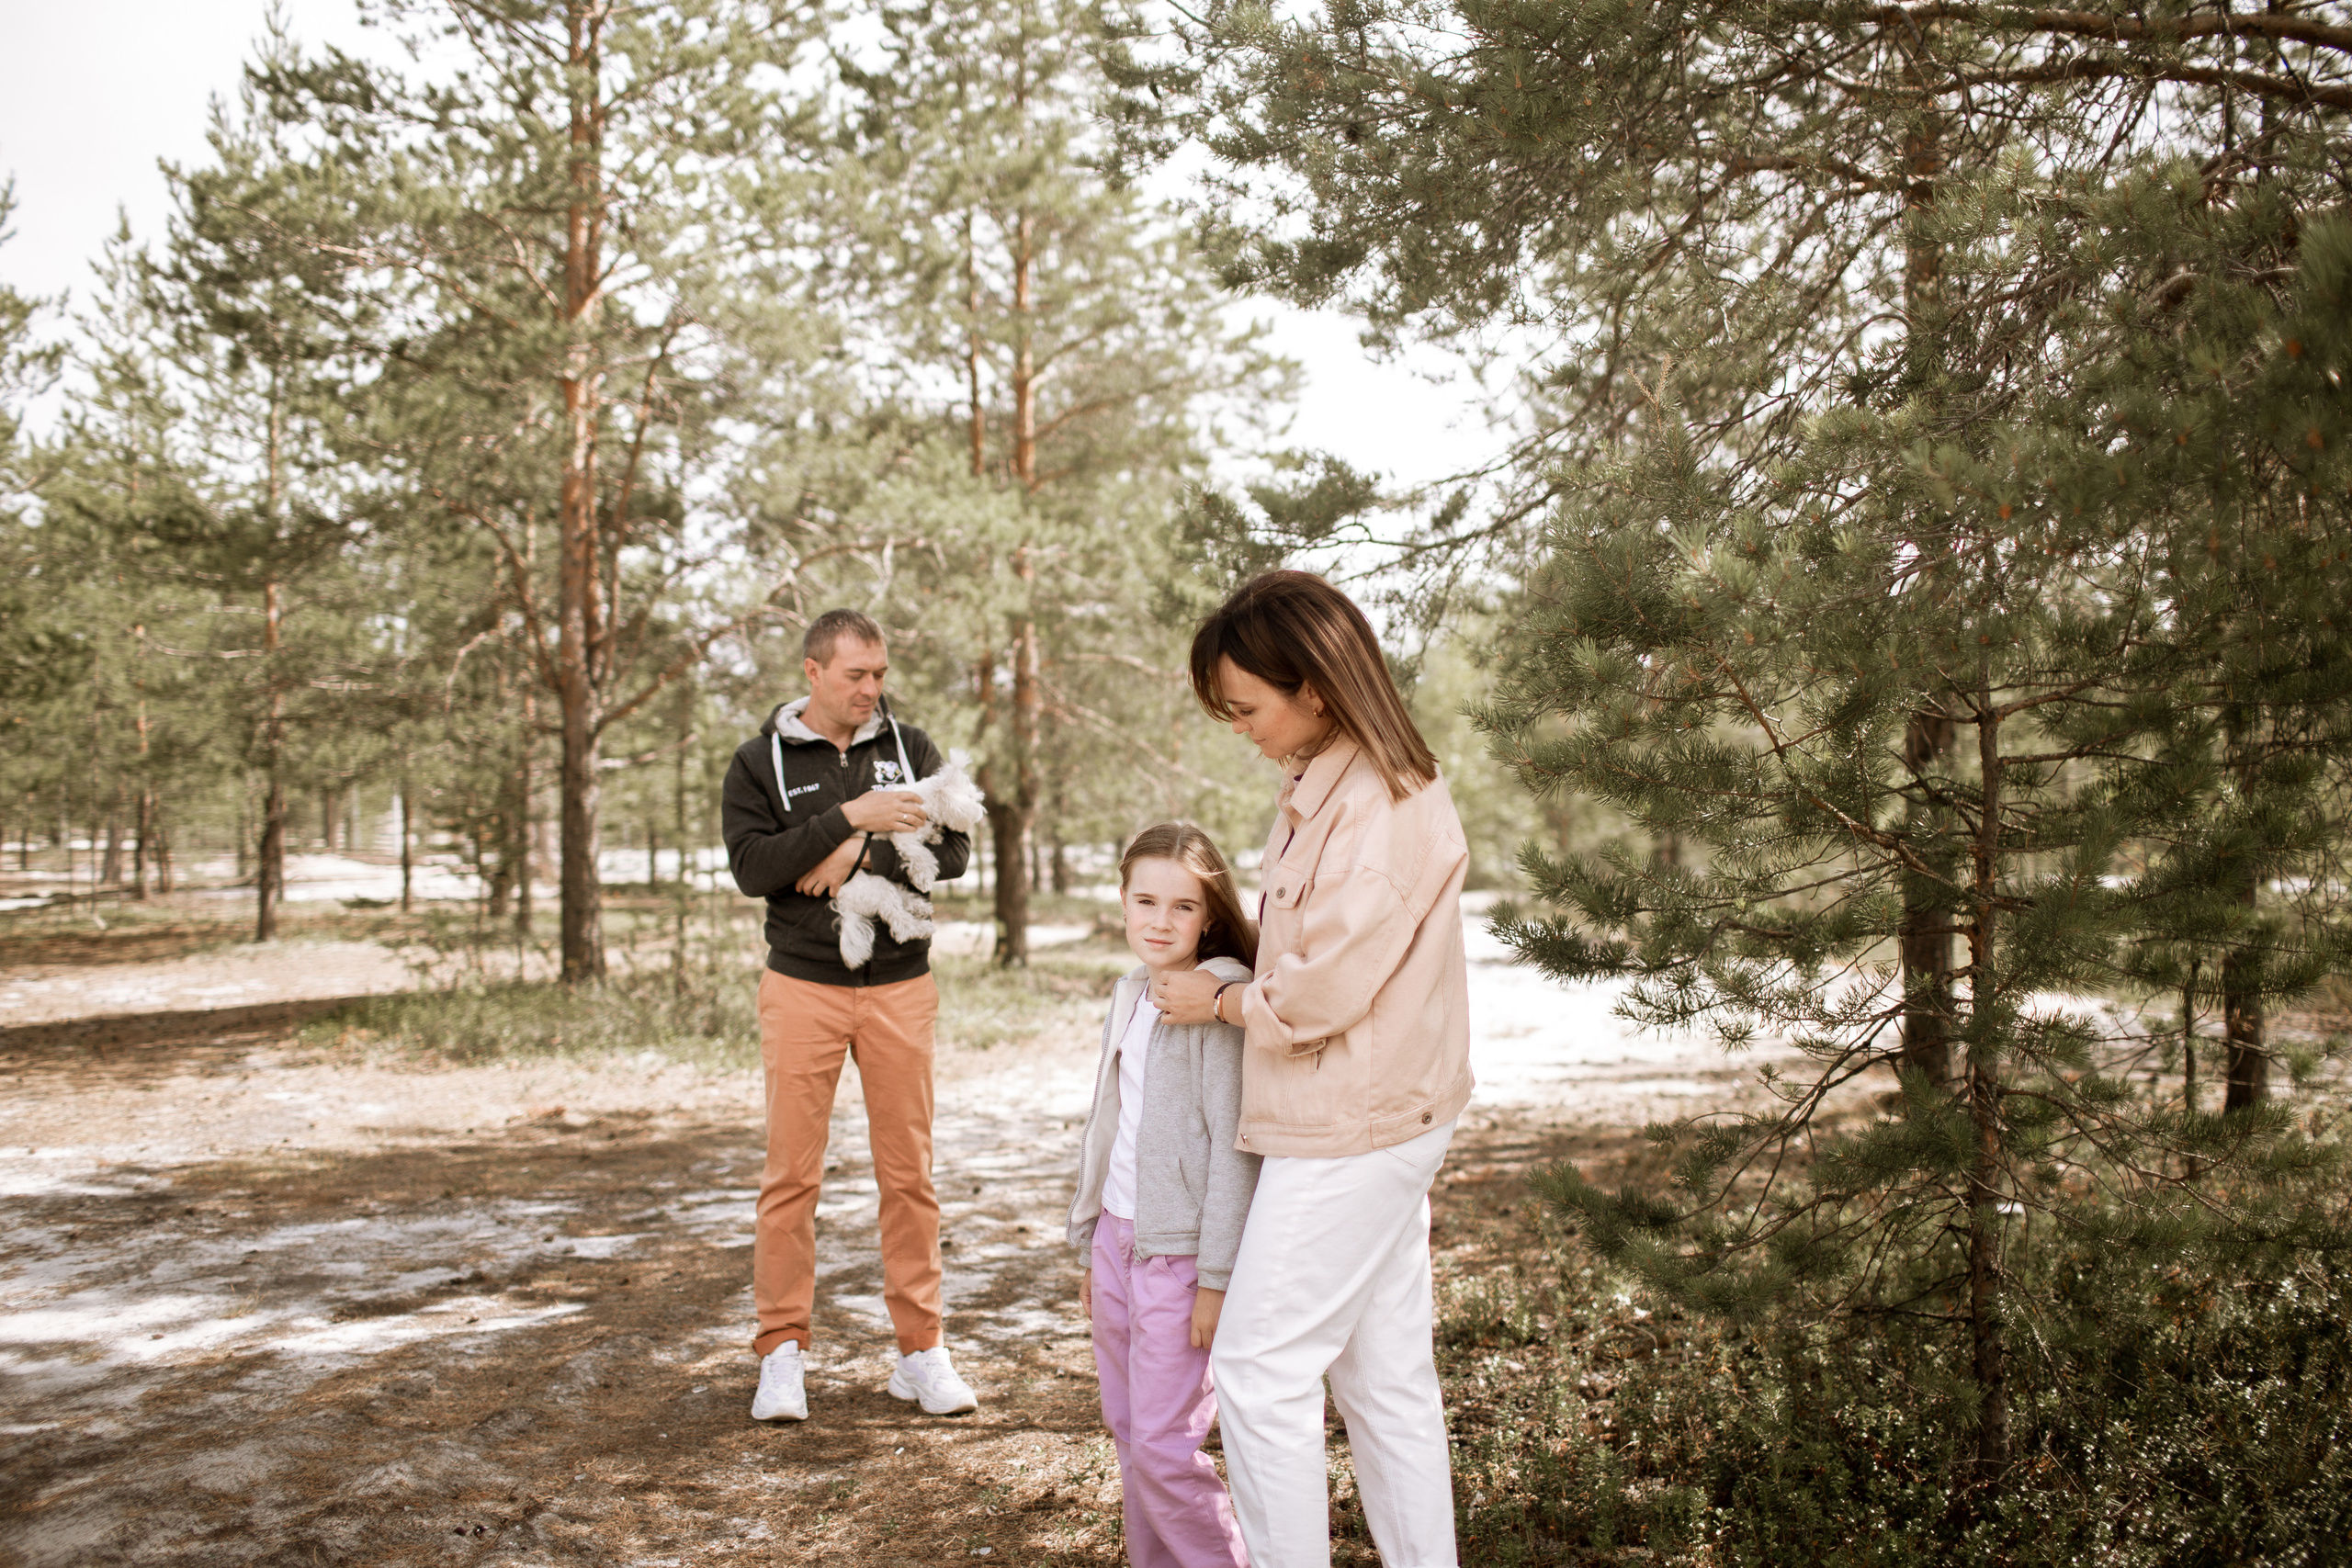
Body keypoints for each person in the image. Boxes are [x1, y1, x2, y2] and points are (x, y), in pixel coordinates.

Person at [1151, 570, 1473, 1568]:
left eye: (1247, 707)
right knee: (1383, 1383)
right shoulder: (1326, 780)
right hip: (1363, 1113)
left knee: (1257, 1371)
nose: (1239, 728)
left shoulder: (1373, 805)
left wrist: (1220, 1001)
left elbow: (1322, 992)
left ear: (1317, 688)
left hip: (1355, 1124)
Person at [721, 607, 978, 1423]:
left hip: (902, 987)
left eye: (879, 673)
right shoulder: (757, 760)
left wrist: (847, 851)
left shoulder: (912, 750)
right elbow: (754, 867)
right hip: (801, 986)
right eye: (854, 674)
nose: (871, 688)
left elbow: (955, 855)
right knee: (791, 1176)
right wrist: (851, 818)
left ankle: (921, 1352)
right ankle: (781, 1352)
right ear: (812, 671)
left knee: (910, 1175)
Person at [1069, 822, 1261, 1568]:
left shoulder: (1218, 1005)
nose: (1159, 920)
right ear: (1121, 900)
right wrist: (1090, 1239)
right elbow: (1107, 1123)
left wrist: (1216, 1278)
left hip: (1179, 1257)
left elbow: (1233, 1151)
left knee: (1163, 1445)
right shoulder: (1129, 994)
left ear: (1209, 914)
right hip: (1117, 1243)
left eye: (1181, 906)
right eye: (1144, 899)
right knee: (1128, 1434)